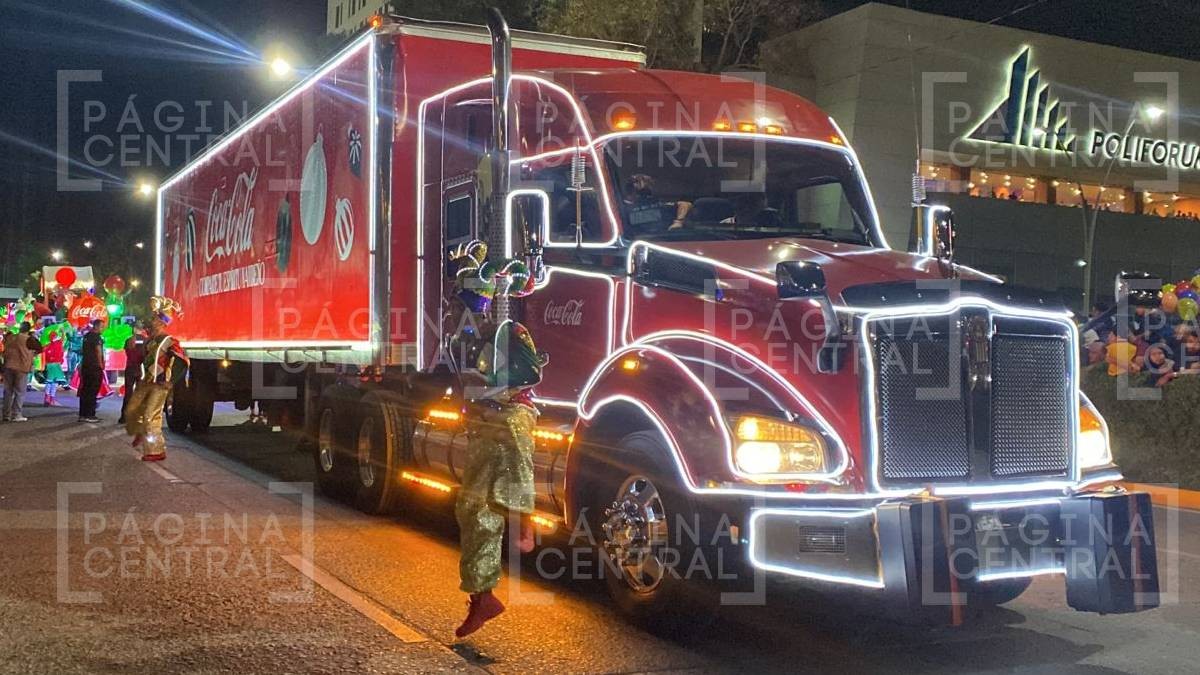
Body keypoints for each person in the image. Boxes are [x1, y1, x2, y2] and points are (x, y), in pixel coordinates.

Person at [447, 241, 547, 639]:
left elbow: (522, 469)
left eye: (467, 299)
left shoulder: (506, 337)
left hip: (503, 421)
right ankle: (481, 597)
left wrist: (524, 524)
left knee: (486, 506)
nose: (460, 308)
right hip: (484, 423)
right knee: (472, 511)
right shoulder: (470, 335)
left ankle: (483, 594)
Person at [124, 297, 188, 461]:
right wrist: (130, 348)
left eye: (154, 319)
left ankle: (155, 450)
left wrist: (171, 380)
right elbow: (140, 359)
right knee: (134, 409)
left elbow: (182, 361)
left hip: (160, 383)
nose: (151, 322)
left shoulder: (169, 341)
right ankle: (140, 430)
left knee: (151, 415)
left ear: (161, 322)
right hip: (147, 381)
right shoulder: (150, 340)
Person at [2, 322, 41, 422]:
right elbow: (39, 348)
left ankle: (6, 414)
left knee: (8, 391)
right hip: (21, 367)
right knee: (19, 392)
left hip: (8, 365)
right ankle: (16, 414)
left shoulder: (11, 337)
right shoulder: (28, 339)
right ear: (28, 330)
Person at [78, 320, 105, 423]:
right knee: (92, 391)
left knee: (85, 390)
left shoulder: (86, 336)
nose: (103, 329)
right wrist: (101, 364)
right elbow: (98, 351)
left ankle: (82, 414)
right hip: (94, 367)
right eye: (102, 326)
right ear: (96, 326)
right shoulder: (96, 337)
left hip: (86, 365)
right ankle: (90, 414)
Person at [118, 326, 146, 424]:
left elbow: (128, 353)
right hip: (140, 369)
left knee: (128, 393)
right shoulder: (145, 341)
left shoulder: (128, 341)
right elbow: (145, 355)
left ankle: (124, 417)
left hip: (130, 368)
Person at [41, 331, 66, 407]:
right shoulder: (58, 343)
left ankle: (48, 399)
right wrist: (62, 331)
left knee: (50, 383)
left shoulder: (48, 346)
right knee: (53, 383)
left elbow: (41, 352)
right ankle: (51, 399)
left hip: (50, 365)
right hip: (55, 365)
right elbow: (63, 338)